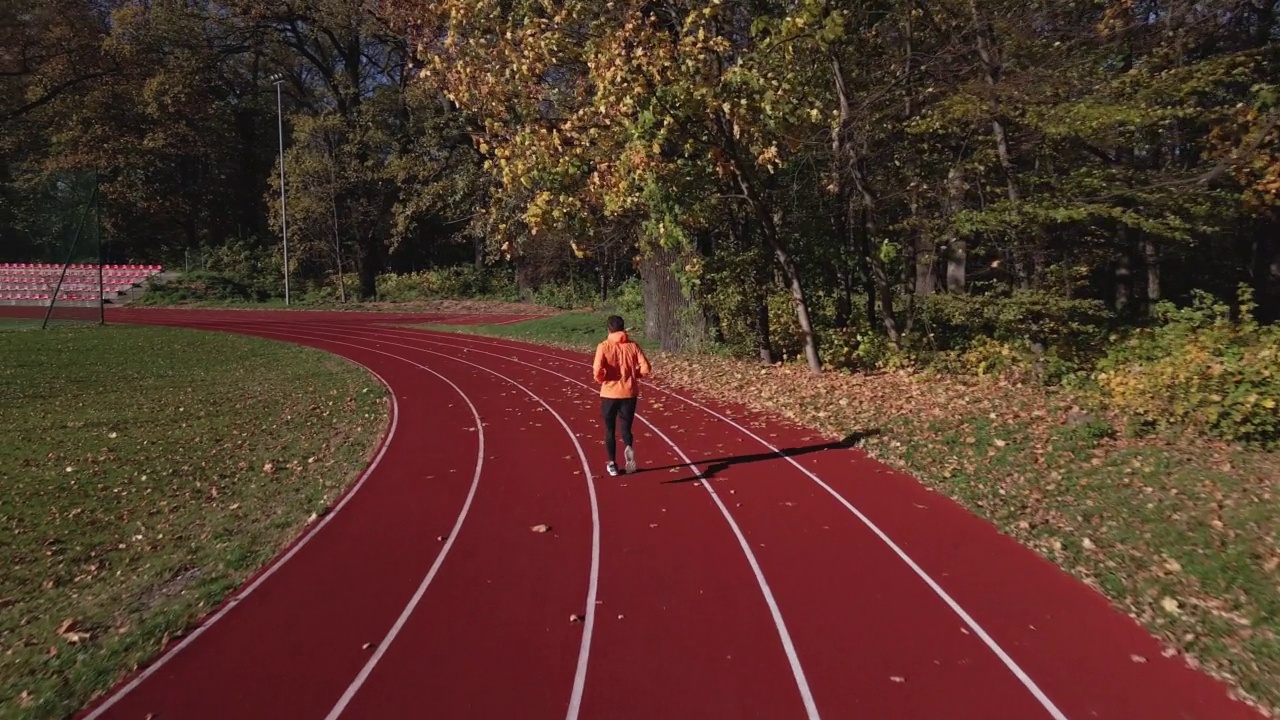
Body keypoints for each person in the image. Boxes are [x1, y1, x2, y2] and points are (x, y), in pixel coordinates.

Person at [592, 314, 652, 476]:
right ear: (623, 328)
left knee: (610, 429)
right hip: (629, 393)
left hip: (609, 394)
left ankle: (612, 464)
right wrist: (634, 375)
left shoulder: (603, 346)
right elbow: (646, 368)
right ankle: (628, 446)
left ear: (609, 329)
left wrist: (602, 379)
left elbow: (597, 371)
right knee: (626, 427)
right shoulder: (633, 346)